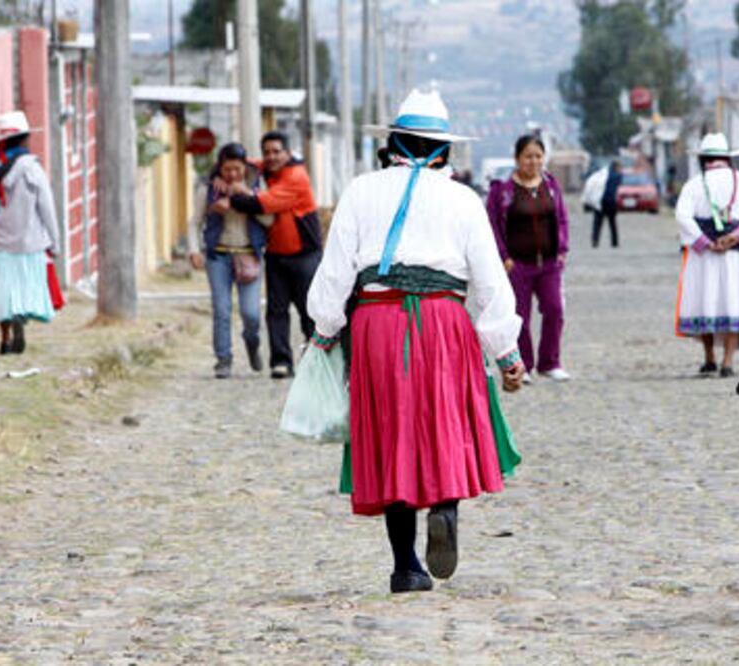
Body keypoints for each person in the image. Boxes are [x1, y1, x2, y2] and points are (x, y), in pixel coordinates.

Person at [306, 89, 524, 594]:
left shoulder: (361, 190)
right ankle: (444, 506)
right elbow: (489, 282)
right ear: (443, 152)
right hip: (444, 319)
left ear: (393, 144)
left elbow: (336, 271)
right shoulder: (463, 199)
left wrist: (324, 331)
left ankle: (405, 565)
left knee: (390, 431)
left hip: (377, 324)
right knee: (444, 418)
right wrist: (507, 353)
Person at [674, 133, 739, 377]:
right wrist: (735, 237)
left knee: (704, 301)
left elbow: (682, 216)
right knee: (733, 303)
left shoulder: (694, 184)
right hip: (736, 256)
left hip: (704, 256)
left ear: (704, 158)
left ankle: (709, 358)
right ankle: (728, 362)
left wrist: (705, 242)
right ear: (727, 157)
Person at [226, 131, 322, 379]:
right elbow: (241, 164)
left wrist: (235, 194)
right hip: (276, 255)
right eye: (267, 152)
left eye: (276, 151)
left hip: (305, 255)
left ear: (287, 153)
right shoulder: (265, 171)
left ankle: (318, 361)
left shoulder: (296, 177)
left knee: (309, 311)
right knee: (276, 312)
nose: (271, 156)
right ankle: (281, 362)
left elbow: (261, 204)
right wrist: (225, 172)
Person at [0, 110, 60, 355]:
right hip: (29, 242)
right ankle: (20, 322)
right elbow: (46, 207)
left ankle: (5, 337)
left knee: (2, 292)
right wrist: (54, 241)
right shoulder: (33, 169)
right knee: (25, 289)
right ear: (25, 138)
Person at [485, 134, 571, 384]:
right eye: (528, 156)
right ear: (517, 158)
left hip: (549, 264)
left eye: (538, 156)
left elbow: (562, 219)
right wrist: (504, 257)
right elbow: (492, 226)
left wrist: (563, 250)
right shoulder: (502, 191)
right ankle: (525, 366)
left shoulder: (551, 186)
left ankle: (550, 362)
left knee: (555, 310)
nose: (533, 161)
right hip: (517, 265)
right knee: (520, 316)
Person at [189, 143, 270, 379]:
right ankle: (223, 359)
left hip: (249, 255)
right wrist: (195, 251)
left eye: (237, 169)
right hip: (219, 256)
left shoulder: (258, 185)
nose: (232, 174)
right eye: (227, 170)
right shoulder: (208, 189)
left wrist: (246, 196)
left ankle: (252, 341)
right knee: (222, 310)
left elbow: (270, 221)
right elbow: (194, 222)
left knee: (251, 313)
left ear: (245, 167)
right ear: (219, 168)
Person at [592, 160, 622, 248]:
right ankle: (614, 242)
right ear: (616, 167)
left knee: (597, 223)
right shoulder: (617, 175)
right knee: (612, 223)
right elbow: (618, 183)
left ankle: (595, 240)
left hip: (599, 200)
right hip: (610, 201)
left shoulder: (601, 175)